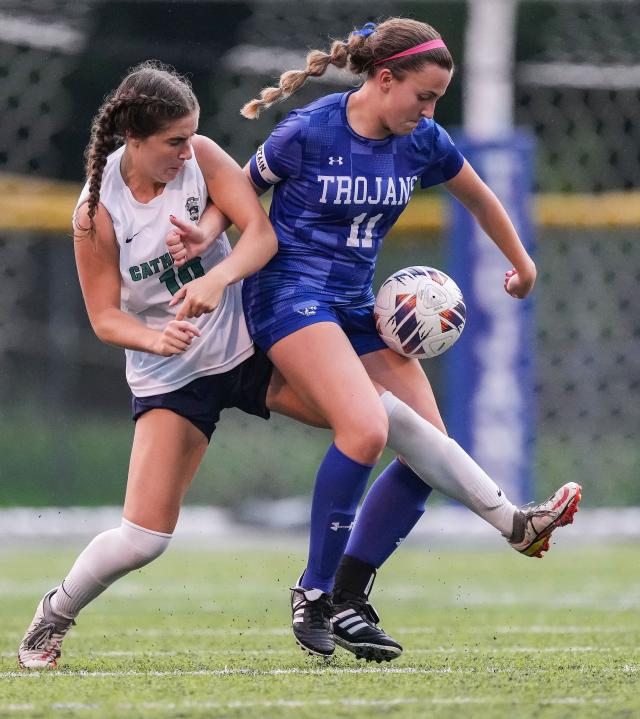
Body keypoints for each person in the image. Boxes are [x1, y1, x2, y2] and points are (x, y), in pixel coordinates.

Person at [169, 17, 581, 662]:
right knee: (363, 429)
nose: (430, 109)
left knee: (428, 454)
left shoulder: (423, 141)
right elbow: (242, 192)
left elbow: (478, 197)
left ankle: (351, 598)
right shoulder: (309, 131)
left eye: (438, 99)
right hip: (288, 296)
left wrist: (522, 263)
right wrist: (206, 234)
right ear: (383, 79)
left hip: (357, 305)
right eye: (423, 96)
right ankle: (313, 592)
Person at [17, 60, 331, 670]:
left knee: (363, 423)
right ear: (133, 138)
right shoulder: (94, 210)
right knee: (144, 540)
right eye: (174, 141)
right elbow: (105, 318)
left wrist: (217, 276)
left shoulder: (204, 158)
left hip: (244, 346)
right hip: (171, 377)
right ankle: (52, 616)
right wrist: (155, 340)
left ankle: (343, 588)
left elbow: (260, 237)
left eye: (193, 136)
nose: (188, 152)